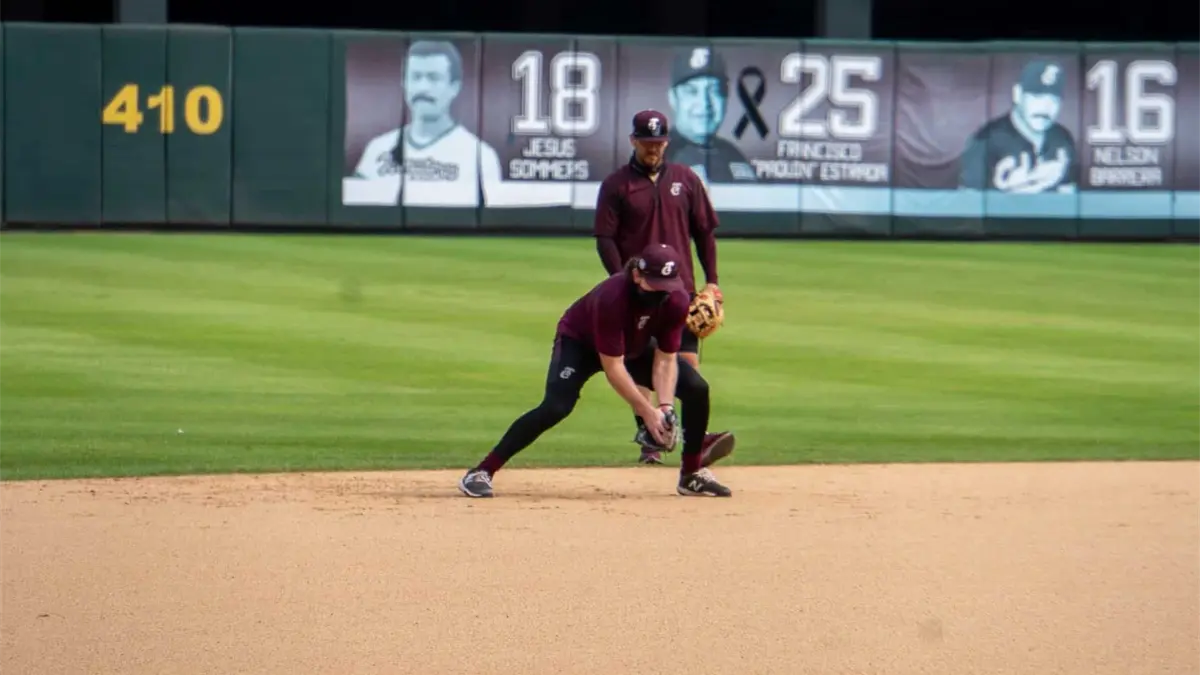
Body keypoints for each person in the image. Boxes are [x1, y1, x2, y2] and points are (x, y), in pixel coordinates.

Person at [457, 243, 734, 499]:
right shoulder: (613, 297)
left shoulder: (676, 299)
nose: (662, 292)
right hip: (580, 343)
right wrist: (647, 414)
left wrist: (665, 408)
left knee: (696, 388)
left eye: (667, 285)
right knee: (555, 407)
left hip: (633, 344)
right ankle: (482, 471)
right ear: (637, 275)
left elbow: (665, 359)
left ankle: (691, 474)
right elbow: (613, 367)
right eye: (655, 285)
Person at [593, 108, 736, 466]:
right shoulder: (617, 185)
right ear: (633, 141)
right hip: (638, 293)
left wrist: (712, 281)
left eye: (658, 142)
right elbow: (605, 239)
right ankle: (650, 435)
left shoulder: (686, 180)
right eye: (646, 142)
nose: (653, 148)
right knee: (643, 362)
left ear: (667, 141)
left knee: (687, 365)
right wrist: (620, 281)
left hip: (680, 290)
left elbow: (704, 233)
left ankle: (695, 438)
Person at [345, 40, 502, 207]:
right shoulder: (377, 148)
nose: (423, 88)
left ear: (454, 87)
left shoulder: (480, 156)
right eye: (415, 77)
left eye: (434, 78)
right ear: (404, 83)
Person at [957, 59, 1078, 193]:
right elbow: (967, 199)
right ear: (1017, 94)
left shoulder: (1062, 139)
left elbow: (1069, 195)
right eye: (1036, 96)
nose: (1045, 107)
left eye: (1053, 100)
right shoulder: (986, 140)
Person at [663, 47, 756, 183]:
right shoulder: (655, 159)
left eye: (714, 90)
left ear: (725, 98)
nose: (704, 102)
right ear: (673, 98)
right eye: (692, 91)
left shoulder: (734, 156)